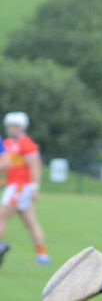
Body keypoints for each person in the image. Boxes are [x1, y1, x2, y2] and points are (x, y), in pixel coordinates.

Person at [0, 111, 51, 266]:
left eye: (15, 126)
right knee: (30, 222)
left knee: (1, 217)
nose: (11, 129)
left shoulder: (26, 144)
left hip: (20, 187)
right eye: (9, 126)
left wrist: (35, 188)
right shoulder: (7, 142)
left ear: (22, 127)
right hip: (13, 186)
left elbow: (35, 166)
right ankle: (42, 256)